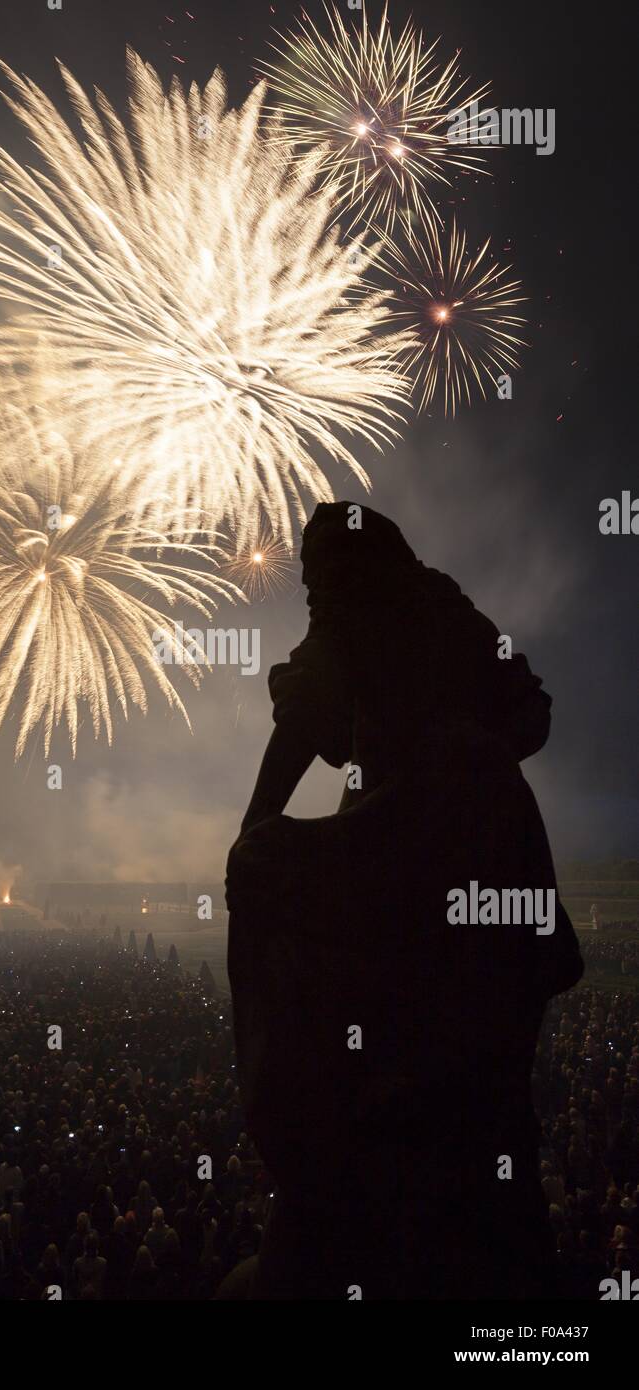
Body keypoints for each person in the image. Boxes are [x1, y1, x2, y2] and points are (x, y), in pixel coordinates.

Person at [226, 501, 584, 1300]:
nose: (313, 591)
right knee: (478, 1077)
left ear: (348, 568)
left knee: (288, 890)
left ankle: (331, 1187)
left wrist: (255, 830)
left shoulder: (364, 614)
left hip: (413, 844)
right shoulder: (444, 608)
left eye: (319, 575)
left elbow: (300, 727)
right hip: (480, 847)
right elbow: (531, 712)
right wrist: (476, 742)